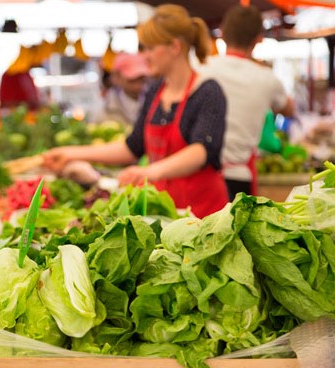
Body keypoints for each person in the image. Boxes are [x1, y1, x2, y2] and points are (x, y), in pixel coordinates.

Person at [43, 4, 228, 218]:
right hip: (163, 212)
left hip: (203, 213)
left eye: (150, 48)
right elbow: (133, 147)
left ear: (174, 47)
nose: (145, 56)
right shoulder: (155, 92)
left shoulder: (207, 91)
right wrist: (70, 153)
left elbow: (201, 151)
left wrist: (148, 172)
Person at [199, 4, 294, 200]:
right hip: (238, 178)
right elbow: (289, 109)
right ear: (258, 40)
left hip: (199, 174)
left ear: (222, 34)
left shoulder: (201, 67)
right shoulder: (267, 78)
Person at [94, 52, 150, 127]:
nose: (138, 79)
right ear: (116, 77)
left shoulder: (156, 102)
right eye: (132, 78)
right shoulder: (105, 111)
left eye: (141, 76)